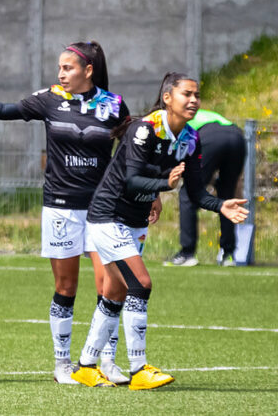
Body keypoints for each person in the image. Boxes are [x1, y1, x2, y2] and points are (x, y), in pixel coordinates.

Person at [0, 41, 135, 384]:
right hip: (61, 208)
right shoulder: (49, 98)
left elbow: (130, 155)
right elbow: (4, 110)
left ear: (88, 71)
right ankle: (62, 364)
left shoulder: (114, 105)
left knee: (111, 285)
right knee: (66, 286)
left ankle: (105, 361)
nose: (61, 73)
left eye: (68, 68)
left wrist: (147, 192)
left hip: (103, 208)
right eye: (60, 68)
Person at [71, 72, 248, 389]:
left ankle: (85, 365)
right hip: (108, 216)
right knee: (141, 282)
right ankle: (139, 369)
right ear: (168, 98)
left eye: (196, 95)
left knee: (115, 292)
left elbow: (195, 193)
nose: (193, 100)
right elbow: (131, 179)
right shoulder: (145, 129)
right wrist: (164, 184)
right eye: (186, 94)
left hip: (135, 220)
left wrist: (220, 205)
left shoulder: (191, 138)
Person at [165, 109, 246, 266]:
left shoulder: (171, 117)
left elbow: (176, 152)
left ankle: (187, 253)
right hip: (237, 136)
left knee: (188, 194)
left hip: (210, 137)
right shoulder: (199, 112)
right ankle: (228, 254)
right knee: (227, 195)